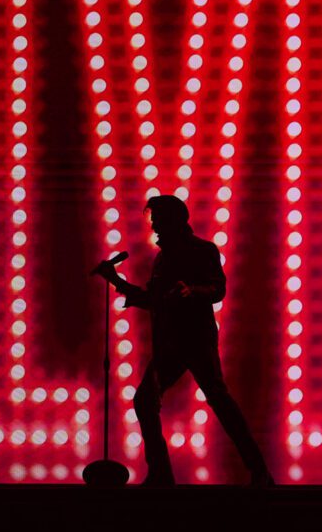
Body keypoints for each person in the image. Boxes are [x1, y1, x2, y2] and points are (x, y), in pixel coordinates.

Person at [92, 194, 273, 487]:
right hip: (170, 344)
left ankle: (258, 471)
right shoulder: (163, 258)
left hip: (196, 340)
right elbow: (155, 300)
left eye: (159, 220)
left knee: (219, 402)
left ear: (175, 220)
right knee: (149, 401)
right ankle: (163, 474)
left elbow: (218, 289)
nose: (154, 227)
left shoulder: (203, 250)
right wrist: (115, 280)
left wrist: (193, 291)